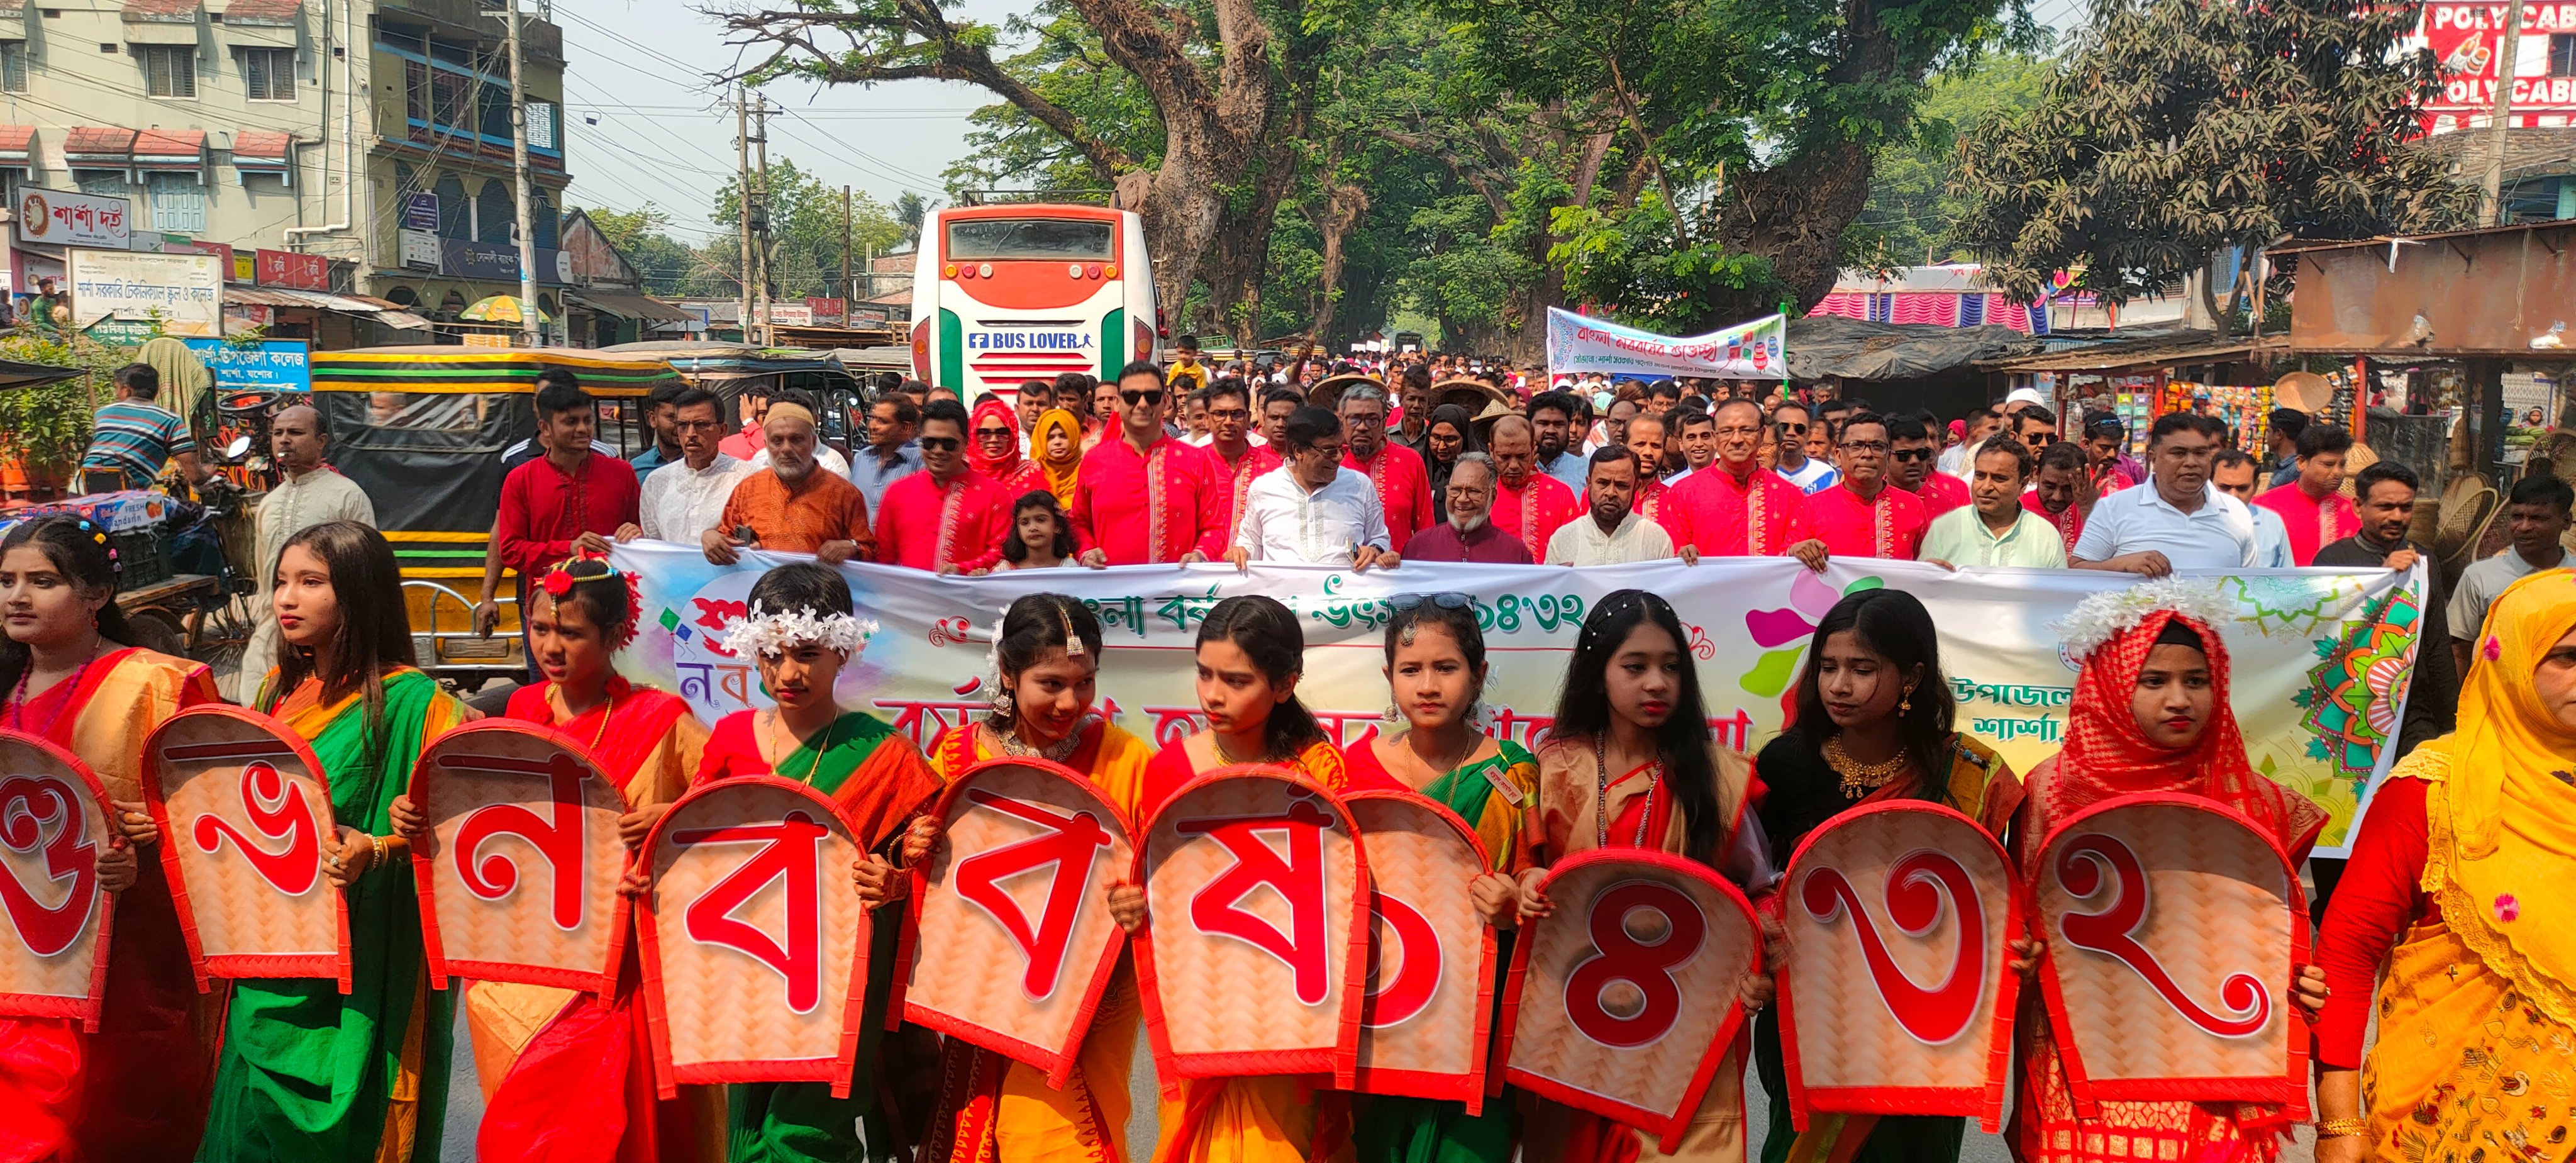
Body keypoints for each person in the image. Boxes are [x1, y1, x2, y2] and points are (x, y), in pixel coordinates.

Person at [388, 557, 717, 1162]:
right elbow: (477, 824)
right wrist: (415, 819)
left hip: (614, 972)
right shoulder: (516, 713)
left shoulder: (662, 720)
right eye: (540, 628)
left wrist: (669, 822)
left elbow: (729, 812)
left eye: (571, 632)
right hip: (519, 965)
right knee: (519, 1131)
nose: (551, 646)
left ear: (616, 635)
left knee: (595, 1132)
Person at [2007, 580, 2329, 1163]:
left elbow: (2265, 932)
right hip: (2085, 1060)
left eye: (2196, 681)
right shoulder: (2052, 792)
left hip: (2217, 1065)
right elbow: (2028, 934)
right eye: (2154, 681)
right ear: (2109, 684)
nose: (2179, 698)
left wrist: (2301, 978)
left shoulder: (2259, 804)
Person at [202, 521, 470, 1162]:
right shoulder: (274, 690)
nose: (286, 599)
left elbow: (457, 836)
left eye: (310, 583)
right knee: (248, 1123)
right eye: (282, 583)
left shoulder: (418, 702)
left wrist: (377, 848)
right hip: (275, 948)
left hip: (364, 956)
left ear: (359, 594)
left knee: (353, 1125)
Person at [676, 562, 943, 1161]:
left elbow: (931, 859)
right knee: (745, 1131)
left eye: (805, 653)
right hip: (746, 959)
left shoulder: (884, 753)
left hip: (839, 972)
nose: (787, 672)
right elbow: (695, 849)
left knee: (808, 1133)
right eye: (770, 654)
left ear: (841, 652)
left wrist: (898, 880)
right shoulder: (730, 738)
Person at [2310, 569, 2575, 1163]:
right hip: (2442, 1126)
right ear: (2510, 658)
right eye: (2567, 656)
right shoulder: (2433, 790)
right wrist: (2339, 1123)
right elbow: (2349, 953)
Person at [1750, 589, 2021, 1163]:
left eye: (1862, 668)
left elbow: (1999, 894)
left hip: (1928, 1018)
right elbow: (1755, 882)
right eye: (1827, 666)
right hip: (1812, 1007)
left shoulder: (1967, 773)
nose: (1838, 686)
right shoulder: (1783, 766)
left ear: (1913, 676)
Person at [1514, 591, 1770, 1161]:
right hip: (1572, 1017)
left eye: (1671, 667)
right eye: (1635, 667)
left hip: (1684, 1021)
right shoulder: (1551, 766)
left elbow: (1759, 893)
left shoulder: (1717, 778)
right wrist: (1526, 885)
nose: (1657, 683)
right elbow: (1524, 868)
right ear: (1597, 671)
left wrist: (1756, 962)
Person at [1135, 595, 1389, 1163]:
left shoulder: (1318, 773)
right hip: (1198, 1001)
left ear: (1284, 683)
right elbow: (1152, 882)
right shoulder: (1167, 770)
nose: (1212, 694)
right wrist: (1130, 903)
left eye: (1235, 679)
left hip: (1290, 1006)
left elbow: (1343, 889)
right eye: (1204, 673)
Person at [0, 515, 221, 1161]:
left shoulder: (160, 685)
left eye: (42, 581)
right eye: (7, 580)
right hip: (13, 952)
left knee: (118, 1121)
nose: (17, 596)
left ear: (97, 594)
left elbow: (214, 823)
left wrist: (153, 843)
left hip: (126, 958)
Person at [919, 594, 1157, 1162]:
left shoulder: (1127, 759)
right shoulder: (956, 759)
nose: (1071, 701)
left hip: (1086, 997)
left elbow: (1162, 874)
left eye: (1085, 681)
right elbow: (922, 883)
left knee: (1062, 1136)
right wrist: (914, 849)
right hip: (978, 987)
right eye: (1050, 683)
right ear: (1007, 672)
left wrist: (1140, 900)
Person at [482, 379, 640, 652]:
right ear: (545, 428)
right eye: (570, 422)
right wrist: (568, 549)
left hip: (610, 608)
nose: (583, 429)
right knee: (553, 690)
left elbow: (641, 529)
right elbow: (511, 550)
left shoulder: (621, 472)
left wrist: (637, 532)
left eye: (587, 420)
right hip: (549, 610)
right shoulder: (520, 480)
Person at [2312, 461, 2457, 755]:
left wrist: (2451, 720)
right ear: (2358, 506)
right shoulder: (2333, 561)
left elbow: (2436, 641)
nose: (2397, 516)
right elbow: (2323, 636)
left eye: (2406, 507)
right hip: (2349, 706)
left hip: (2414, 705)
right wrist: (2383, 577)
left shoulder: (2424, 561)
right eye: (2385, 506)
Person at [239, 404, 376, 701]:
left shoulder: (347, 496)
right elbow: (264, 573)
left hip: (330, 636)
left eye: (296, 433)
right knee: (258, 702)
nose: (285, 440)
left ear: (322, 441)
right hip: (274, 628)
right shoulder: (270, 503)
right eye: (278, 433)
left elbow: (365, 572)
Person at [1070, 362, 1226, 566]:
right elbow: (1078, 523)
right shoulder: (1095, 461)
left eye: (1152, 397)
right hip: (1109, 592)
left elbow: (1214, 527)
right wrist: (1087, 552)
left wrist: (1200, 555)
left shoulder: (1195, 460)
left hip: (1178, 591)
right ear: (1118, 403)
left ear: (1166, 401)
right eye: (1132, 397)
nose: (1142, 404)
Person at [2071, 413, 2257, 575]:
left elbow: (2251, 586)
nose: (2191, 462)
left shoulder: (2235, 514)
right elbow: (2076, 571)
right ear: (2153, 458)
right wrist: (2121, 565)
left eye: (2200, 453)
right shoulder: (2114, 508)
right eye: (2179, 453)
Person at [706, 401, 874, 565]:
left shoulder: (844, 493)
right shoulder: (748, 490)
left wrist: (853, 548)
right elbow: (726, 537)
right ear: (766, 445)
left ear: (814, 443)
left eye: (796, 440)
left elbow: (871, 552)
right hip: (760, 590)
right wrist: (711, 537)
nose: (786, 449)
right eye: (777, 441)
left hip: (819, 591)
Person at [1229, 405, 1393, 569]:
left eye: (1341, 448)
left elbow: (1379, 538)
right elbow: (1251, 540)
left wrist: (1374, 550)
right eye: (1329, 450)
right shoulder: (1264, 489)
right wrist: (1242, 552)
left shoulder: (1359, 485)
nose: (1338, 458)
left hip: (1345, 592)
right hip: (1279, 592)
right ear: (1299, 451)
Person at [2448, 472, 2573, 678]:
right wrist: (2455, 707)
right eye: (2517, 517)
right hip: (2498, 703)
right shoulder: (2480, 577)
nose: (2523, 527)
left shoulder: (2573, 577)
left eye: (2537, 518)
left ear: (2566, 521)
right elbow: (2459, 651)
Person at [1659, 399, 1816, 559]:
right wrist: (1682, 555)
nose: (1737, 440)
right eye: (1727, 431)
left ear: (1762, 435)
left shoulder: (1789, 496)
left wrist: (1796, 552)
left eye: (1747, 431)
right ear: (1714, 438)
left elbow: (1793, 557)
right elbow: (1671, 557)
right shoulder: (1683, 493)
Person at [875, 398, 1013, 574]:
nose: (938, 451)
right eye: (930, 443)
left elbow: (1002, 552)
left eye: (949, 444)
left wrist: (963, 570)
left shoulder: (995, 494)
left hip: (968, 598)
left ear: (966, 443)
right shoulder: (897, 492)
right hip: (907, 599)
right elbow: (883, 558)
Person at [626, 386, 747, 548]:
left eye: (701, 425)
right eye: (682, 425)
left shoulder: (746, 478)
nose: (691, 434)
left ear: (722, 431)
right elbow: (655, 545)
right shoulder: (656, 481)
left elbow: (752, 540)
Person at [1918, 437, 2067, 569]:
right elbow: (1921, 590)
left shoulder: (2046, 536)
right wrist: (1930, 576)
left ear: (2023, 484)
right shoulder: (1944, 528)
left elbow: (2056, 595)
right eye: (1980, 476)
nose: (1986, 487)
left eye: (1999, 478)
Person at [1801, 412, 1929, 562]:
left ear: (1888, 456)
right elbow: (1784, 563)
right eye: (1856, 446)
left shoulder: (1912, 506)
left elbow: (1924, 566)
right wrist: (1795, 552)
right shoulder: (1812, 507)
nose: (1867, 454)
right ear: (1838, 455)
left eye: (1877, 446)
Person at [78, 363, 210, 493]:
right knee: (195, 512)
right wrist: (208, 473)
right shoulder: (170, 420)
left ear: (127, 390)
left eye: (117, 389)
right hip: (128, 501)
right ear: (156, 391)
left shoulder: (103, 413)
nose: (116, 394)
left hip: (81, 489)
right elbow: (196, 476)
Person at [1340, 384, 1436, 550]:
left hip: (1398, 571)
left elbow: (1425, 529)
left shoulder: (1410, 461)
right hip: (1343, 573)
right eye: (1354, 419)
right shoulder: (1332, 465)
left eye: (1372, 420)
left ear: (1384, 423)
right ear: (1342, 421)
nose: (1362, 427)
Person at [1546, 447, 1682, 565]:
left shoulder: (1655, 538)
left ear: (1636, 487)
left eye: (1621, 485)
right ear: (1589, 484)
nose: (1611, 493)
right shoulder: (1562, 539)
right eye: (1603, 483)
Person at [2251, 423, 2358, 565]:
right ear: (2301, 463)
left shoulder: (2356, 511)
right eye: (2328, 464)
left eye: (2342, 465)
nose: (2338, 472)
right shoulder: (2262, 508)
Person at [1402, 454, 1535, 564]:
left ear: (1493, 496)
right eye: (1455, 490)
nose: (1462, 499)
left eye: (1473, 491)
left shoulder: (1516, 554)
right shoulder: (1418, 547)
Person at [1483, 415, 1582, 560]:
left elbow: (1574, 551)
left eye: (1522, 456)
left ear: (1533, 450)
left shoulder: (1560, 494)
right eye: (1504, 457)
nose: (1514, 465)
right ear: (1491, 451)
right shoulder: (1481, 494)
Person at [1205, 378, 1285, 547]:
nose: (1228, 422)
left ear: (1248, 417)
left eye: (1237, 414)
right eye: (1220, 413)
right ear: (1206, 418)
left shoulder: (1274, 470)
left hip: (1256, 569)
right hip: (1201, 569)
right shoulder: (1191, 465)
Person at [2212, 448, 2296, 569]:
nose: (2233, 495)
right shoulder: (2193, 521)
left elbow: (2285, 578)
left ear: (2256, 486)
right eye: (2224, 488)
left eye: (2242, 488)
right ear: (2209, 484)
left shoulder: (2272, 523)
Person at [852, 392, 926, 516]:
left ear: (906, 428)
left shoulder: (921, 461)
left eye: (882, 421)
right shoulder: (861, 458)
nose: (872, 426)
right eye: (872, 418)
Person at [1887, 414, 1970, 516]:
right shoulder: (1869, 497)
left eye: (1921, 454)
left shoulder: (1945, 503)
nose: (1914, 461)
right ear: (1886, 455)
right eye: (1904, 455)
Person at [2023, 441, 2093, 557]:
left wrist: (2088, 511)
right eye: (2049, 486)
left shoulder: (2087, 510)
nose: (2057, 497)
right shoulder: (2017, 511)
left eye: (2068, 489)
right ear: (2036, 474)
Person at [970, 396, 1049, 496]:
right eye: (984, 433)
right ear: (973, 435)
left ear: (1013, 435)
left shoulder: (1031, 473)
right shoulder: (963, 474)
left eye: (1002, 432)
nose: (994, 439)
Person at [1528, 391, 1593, 495]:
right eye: (1543, 423)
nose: (1551, 430)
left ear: (1568, 427)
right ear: (1529, 426)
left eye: (1559, 424)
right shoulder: (1515, 469)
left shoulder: (1587, 471)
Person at [1769, 402, 1838, 494]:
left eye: (1800, 429)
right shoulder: (1758, 471)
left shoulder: (1826, 474)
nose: (1791, 433)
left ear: (1809, 435)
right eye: (1783, 427)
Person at [628, 381, 687, 482]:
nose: (680, 426)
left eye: (685, 419)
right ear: (652, 419)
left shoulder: (705, 466)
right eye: (672, 418)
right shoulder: (637, 468)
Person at [1028, 406, 1085, 509]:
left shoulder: (1087, 471)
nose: (1057, 442)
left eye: (1063, 436)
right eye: (1050, 438)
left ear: (1074, 436)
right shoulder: (1030, 474)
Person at [1421, 402, 1480, 495]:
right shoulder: (1416, 469)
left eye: (1450, 439)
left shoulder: (1480, 473)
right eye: (1436, 438)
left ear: (1464, 438)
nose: (1442, 447)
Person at [1623, 412, 1673, 521]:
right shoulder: (1599, 494)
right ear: (1624, 448)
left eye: (1656, 446)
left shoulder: (1674, 501)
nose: (1648, 452)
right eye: (1640, 444)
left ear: (1664, 451)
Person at [2079, 412, 2143, 494]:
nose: (2112, 454)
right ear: (2087, 444)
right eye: (2105, 448)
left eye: (2117, 448)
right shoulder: (2076, 479)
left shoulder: (2126, 482)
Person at [1938, 408, 2000, 480]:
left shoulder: (1996, 457)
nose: (1997, 433)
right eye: (1992, 429)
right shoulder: (1946, 457)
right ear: (1974, 430)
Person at [1667, 407, 1718, 484]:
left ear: (1716, 440)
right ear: (1681, 443)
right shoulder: (1669, 488)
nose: (1699, 444)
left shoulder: (1733, 484)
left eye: (1705, 436)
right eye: (1691, 438)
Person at [1014, 379, 1053, 453]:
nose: (1035, 409)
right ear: (1017, 409)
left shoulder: (1059, 440)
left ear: (1051, 408)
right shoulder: (1008, 442)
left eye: (1041, 404)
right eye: (1029, 404)